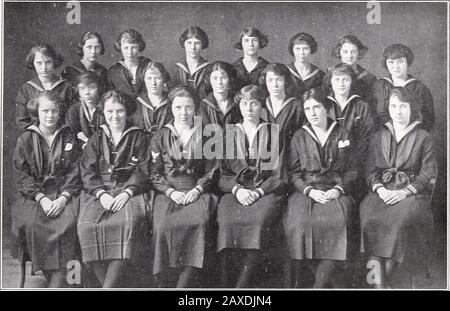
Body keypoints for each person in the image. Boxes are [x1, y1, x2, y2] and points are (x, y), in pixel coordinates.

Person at [360, 86, 437, 289]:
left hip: (412, 193)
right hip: (383, 192)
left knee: (398, 222)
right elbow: (370, 171)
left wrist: (403, 192)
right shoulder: (379, 136)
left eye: (403, 106)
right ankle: (380, 284)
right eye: (394, 106)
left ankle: (379, 282)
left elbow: (428, 174)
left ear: (411, 109)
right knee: (369, 218)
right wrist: (381, 190)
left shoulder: (423, 137)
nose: (398, 111)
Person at [283, 88, 358, 288]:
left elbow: (352, 170)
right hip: (307, 191)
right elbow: (294, 173)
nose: (313, 113)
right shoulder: (300, 135)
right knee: (299, 224)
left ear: (327, 108)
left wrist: (339, 189)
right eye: (308, 109)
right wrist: (310, 191)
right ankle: (324, 281)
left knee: (338, 223)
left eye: (317, 107)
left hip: (336, 190)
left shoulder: (342, 133)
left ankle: (320, 284)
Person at [77, 89, 152, 288]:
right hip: (100, 192)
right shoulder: (97, 137)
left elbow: (143, 170)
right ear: (104, 112)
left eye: (119, 111)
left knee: (128, 225)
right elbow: (87, 170)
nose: (115, 116)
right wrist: (101, 194)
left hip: (130, 191)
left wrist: (127, 192)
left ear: (127, 112)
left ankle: (108, 287)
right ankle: (110, 286)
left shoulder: (138, 136)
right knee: (86, 227)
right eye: (110, 111)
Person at [149, 86, 219, 288]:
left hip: (197, 190)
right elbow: (154, 172)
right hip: (168, 191)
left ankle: (184, 285)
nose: (183, 113)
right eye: (178, 107)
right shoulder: (161, 135)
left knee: (199, 223)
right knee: (162, 226)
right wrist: (170, 192)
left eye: (188, 108)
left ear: (195, 108)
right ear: (171, 108)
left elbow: (213, 169)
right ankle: (165, 282)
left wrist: (198, 189)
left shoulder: (207, 133)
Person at [217, 85, 284, 288]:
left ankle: (243, 284)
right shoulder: (229, 133)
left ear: (262, 106)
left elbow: (279, 174)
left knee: (258, 222)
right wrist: (238, 190)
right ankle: (229, 282)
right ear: (239, 106)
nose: (249, 108)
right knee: (227, 222)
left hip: (265, 190)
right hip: (235, 191)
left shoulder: (273, 132)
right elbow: (221, 174)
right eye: (244, 104)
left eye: (254, 103)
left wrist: (258, 192)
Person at [12, 91, 82, 287]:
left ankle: (69, 277)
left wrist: (63, 197)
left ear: (59, 112)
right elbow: (22, 174)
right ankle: (51, 275)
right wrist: (42, 198)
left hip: (65, 192)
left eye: (54, 111)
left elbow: (75, 169)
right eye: (45, 111)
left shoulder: (68, 134)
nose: (50, 115)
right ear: (37, 112)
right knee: (35, 223)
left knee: (70, 222)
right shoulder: (26, 138)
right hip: (35, 194)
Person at [373, 43, 435, 131]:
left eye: (400, 62)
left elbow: (429, 120)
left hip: (413, 138)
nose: (396, 66)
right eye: (391, 62)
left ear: (407, 62)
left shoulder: (420, 88)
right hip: (383, 137)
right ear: (386, 64)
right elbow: (372, 116)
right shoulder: (378, 86)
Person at [261, 63, 305, 183]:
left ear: (286, 81)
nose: (274, 85)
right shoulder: (260, 105)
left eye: (279, 80)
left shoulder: (296, 105)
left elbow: (302, 137)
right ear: (264, 81)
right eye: (270, 80)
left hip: (289, 162)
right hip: (262, 162)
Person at [16, 43, 73, 130]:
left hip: (61, 135)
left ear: (54, 62)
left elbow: (71, 117)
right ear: (33, 63)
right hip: (35, 137)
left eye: (48, 62)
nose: (44, 67)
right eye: (39, 63)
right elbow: (22, 120)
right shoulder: (26, 89)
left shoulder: (66, 87)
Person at [328, 35, 377, 105]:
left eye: (353, 52)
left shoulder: (368, 78)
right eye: (345, 52)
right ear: (339, 52)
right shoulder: (330, 74)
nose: (349, 56)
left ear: (359, 53)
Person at [61, 31, 109, 95]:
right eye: (89, 47)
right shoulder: (71, 70)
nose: (93, 51)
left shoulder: (103, 71)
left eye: (97, 47)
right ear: (82, 48)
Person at [107, 29, 151, 98]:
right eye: (126, 48)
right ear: (120, 48)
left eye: (134, 47)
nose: (130, 52)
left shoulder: (148, 66)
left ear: (139, 47)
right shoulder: (113, 71)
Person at [66, 71, 105, 148]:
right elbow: (71, 135)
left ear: (99, 88)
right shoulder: (74, 110)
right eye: (82, 88)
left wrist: (85, 138)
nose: (87, 92)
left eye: (92, 87)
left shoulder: (105, 108)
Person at [170, 26, 211, 99]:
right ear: (183, 44)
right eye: (189, 43)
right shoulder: (175, 69)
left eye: (197, 43)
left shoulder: (209, 69)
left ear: (202, 45)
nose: (193, 47)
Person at [134, 61, 172, 135]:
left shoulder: (172, 101)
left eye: (157, 78)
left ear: (164, 79)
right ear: (144, 79)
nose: (153, 83)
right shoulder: (136, 103)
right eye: (149, 78)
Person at [199, 61, 241, 127]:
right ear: (209, 80)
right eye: (215, 78)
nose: (219, 82)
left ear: (230, 79)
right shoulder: (203, 105)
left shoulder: (237, 103)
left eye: (223, 77)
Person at [286, 32, 326, 98]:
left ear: (311, 50)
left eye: (305, 48)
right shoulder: (285, 72)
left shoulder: (320, 75)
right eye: (298, 49)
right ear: (292, 50)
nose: (302, 53)